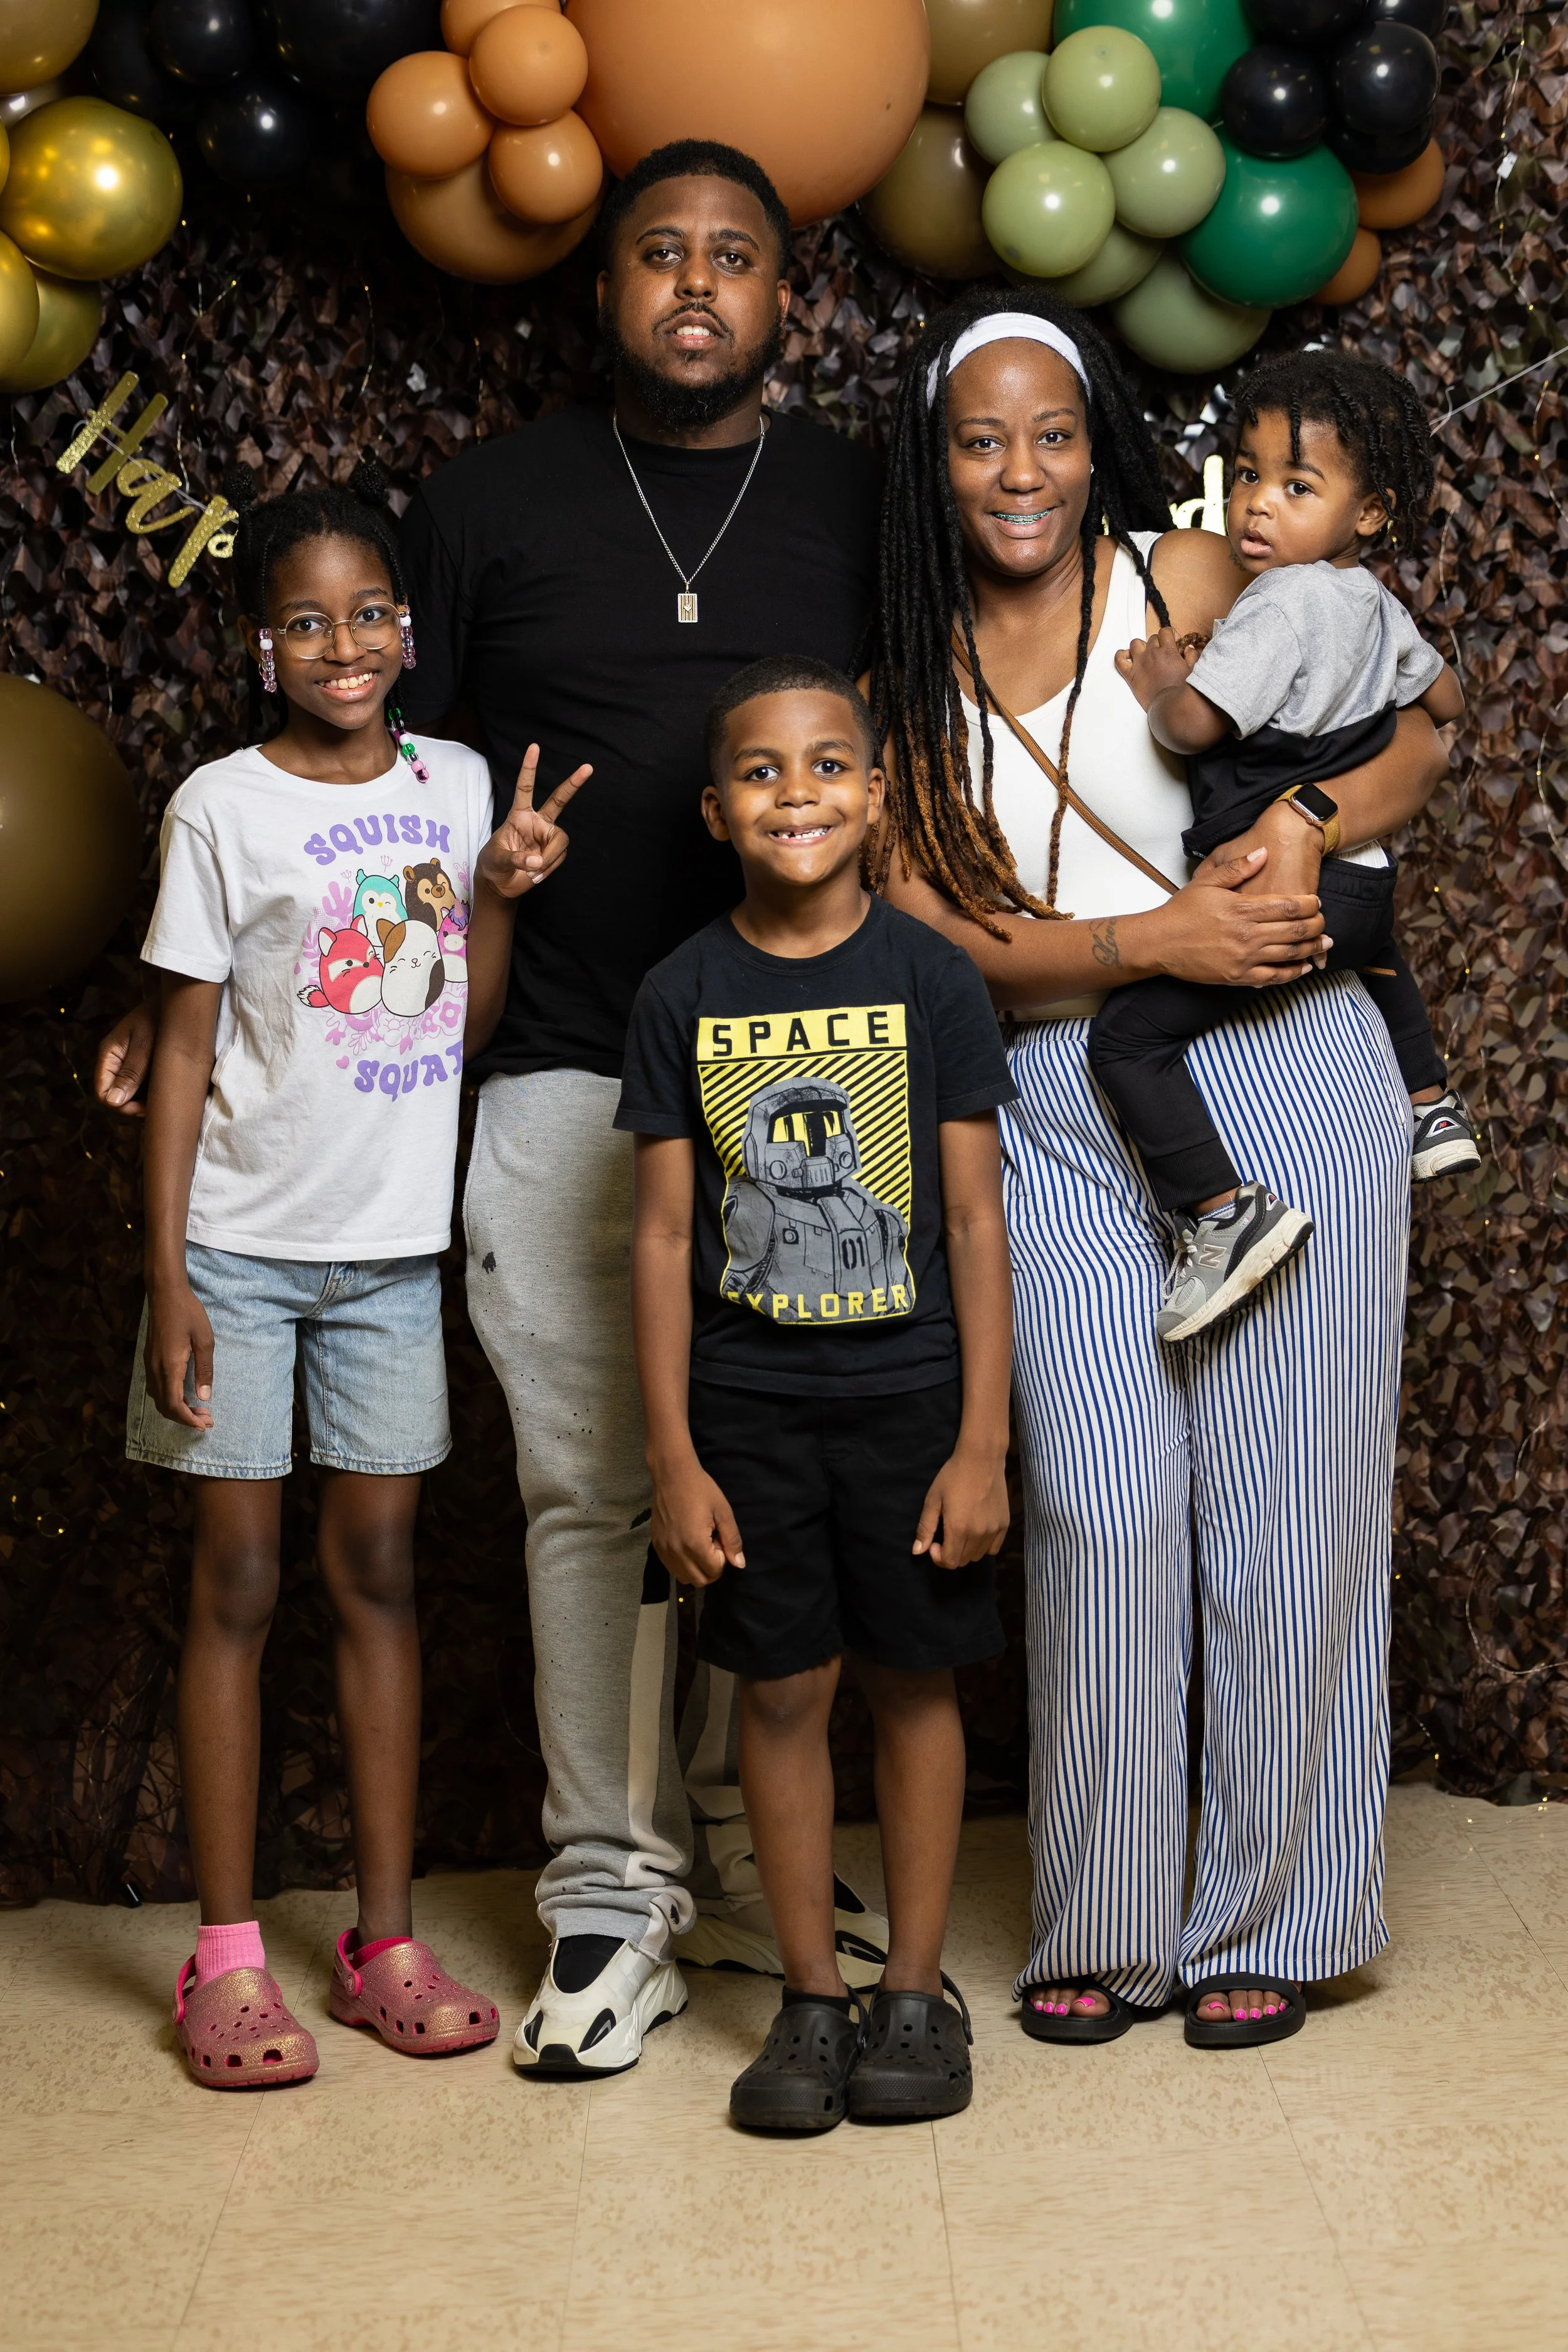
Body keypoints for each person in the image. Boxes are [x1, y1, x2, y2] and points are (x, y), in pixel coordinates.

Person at [98, 139, 888, 2075]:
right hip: (551, 1066)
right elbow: (340, 793)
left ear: (786, 301)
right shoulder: (483, 505)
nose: (693, 284)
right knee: (582, 1489)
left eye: (733, 257)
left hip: (808, 1063)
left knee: (776, 1466)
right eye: (655, 255)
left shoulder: (871, 499)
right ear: (599, 288)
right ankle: (603, 1890)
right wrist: (169, 994)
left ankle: (726, 1824)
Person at [869, 294, 1450, 2048]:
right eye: (980, 437)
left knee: (1287, 1507)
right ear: (935, 460)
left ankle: (1266, 1912)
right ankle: (1107, 1915)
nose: (1020, 469)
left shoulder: (1188, 580)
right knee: (1100, 1504)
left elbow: (1422, 716)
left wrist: (1303, 825)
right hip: (1053, 1098)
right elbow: (933, 934)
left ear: (1096, 435)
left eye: (1051, 431)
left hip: (1284, 1057)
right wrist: (1152, 933)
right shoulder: (903, 663)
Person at [127, 458, 584, 2087]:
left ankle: (383, 1938)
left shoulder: (458, 785)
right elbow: (182, 1054)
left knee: (378, 1572)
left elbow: (458, 1025)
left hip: (390, 1259)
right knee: (237, 1581)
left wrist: (502, 897)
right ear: (262, 645)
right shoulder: (219, 807)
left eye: (369, 612)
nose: (343, 643)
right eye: (305, 620)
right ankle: (227, 1952)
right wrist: (168, 1274)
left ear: (406, 626)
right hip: (237, 1255)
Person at [619, 656, 1014, 2131]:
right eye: (764, 773)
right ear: (718, 811)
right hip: (749, 1406)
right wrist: (673, 1453)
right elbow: (663, 1236)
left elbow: (973, 1222)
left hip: (913, 1393)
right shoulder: (683, 991)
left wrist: (982, 1440)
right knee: (780, 1689)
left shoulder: (929, 976)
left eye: (828, 764)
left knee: (914, 1679)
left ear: (873, 792)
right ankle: (809, 1999)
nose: (799, 793)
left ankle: (913, 1993)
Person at [1092, 349, 1478, 1343]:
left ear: (1372, 512)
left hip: (1275, 882)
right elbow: (1445, 704)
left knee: (1126, 1040)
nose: (1258, 505)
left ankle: (1223, 1214)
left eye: (1296, 485)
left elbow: (1197, 730)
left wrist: (1159, 689)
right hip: (1360, 884)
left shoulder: (1278, 603)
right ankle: (1431, 1103)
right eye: (1249, 474)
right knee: (1380, 951)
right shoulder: (1372, 601)